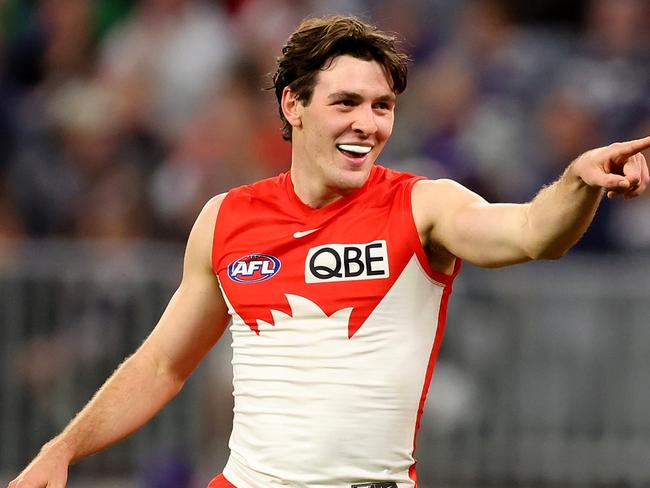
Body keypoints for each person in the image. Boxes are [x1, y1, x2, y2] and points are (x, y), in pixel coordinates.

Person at [8, 15, 650, 488]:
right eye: (346, 102)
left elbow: (533, 233)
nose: (367, 124)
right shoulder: (224, 219)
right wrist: (64, 448)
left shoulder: (424, 206)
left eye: (382, 106)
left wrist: (576, 183)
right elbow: (162, 366)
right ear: (294, 105)